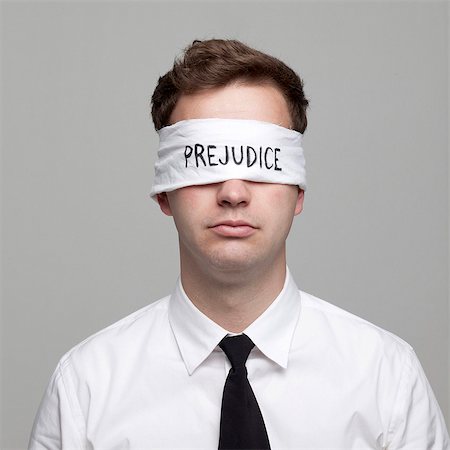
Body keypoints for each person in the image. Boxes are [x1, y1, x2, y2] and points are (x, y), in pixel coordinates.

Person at [29, 39, 449, 450]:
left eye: (263, 163)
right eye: (204, 162)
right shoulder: (85, 390)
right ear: (164, 193)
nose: (233, 192)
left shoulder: (386, 380)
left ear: (298, 191)